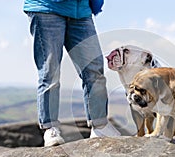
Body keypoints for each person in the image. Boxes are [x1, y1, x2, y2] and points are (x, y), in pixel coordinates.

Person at [23, 0, 121, 147]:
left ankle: (100, 126)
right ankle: (50, 128)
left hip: (81, 11)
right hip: (47, 8)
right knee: (50, 73)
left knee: (94, 69)